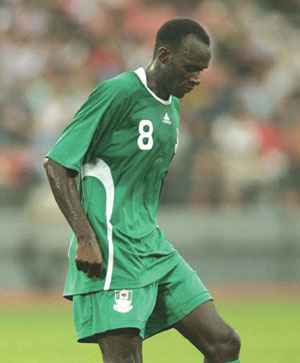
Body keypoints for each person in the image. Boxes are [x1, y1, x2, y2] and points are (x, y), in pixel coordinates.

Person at [44, 18, 241, 363]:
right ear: (164, 55)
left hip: (151, 247)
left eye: (202, 71)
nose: (197, 78)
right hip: (110, 250)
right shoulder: (118, 92)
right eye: (190, 68)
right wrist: (86, 238)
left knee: (224, 344)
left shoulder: (174, 107)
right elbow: (57, 164)